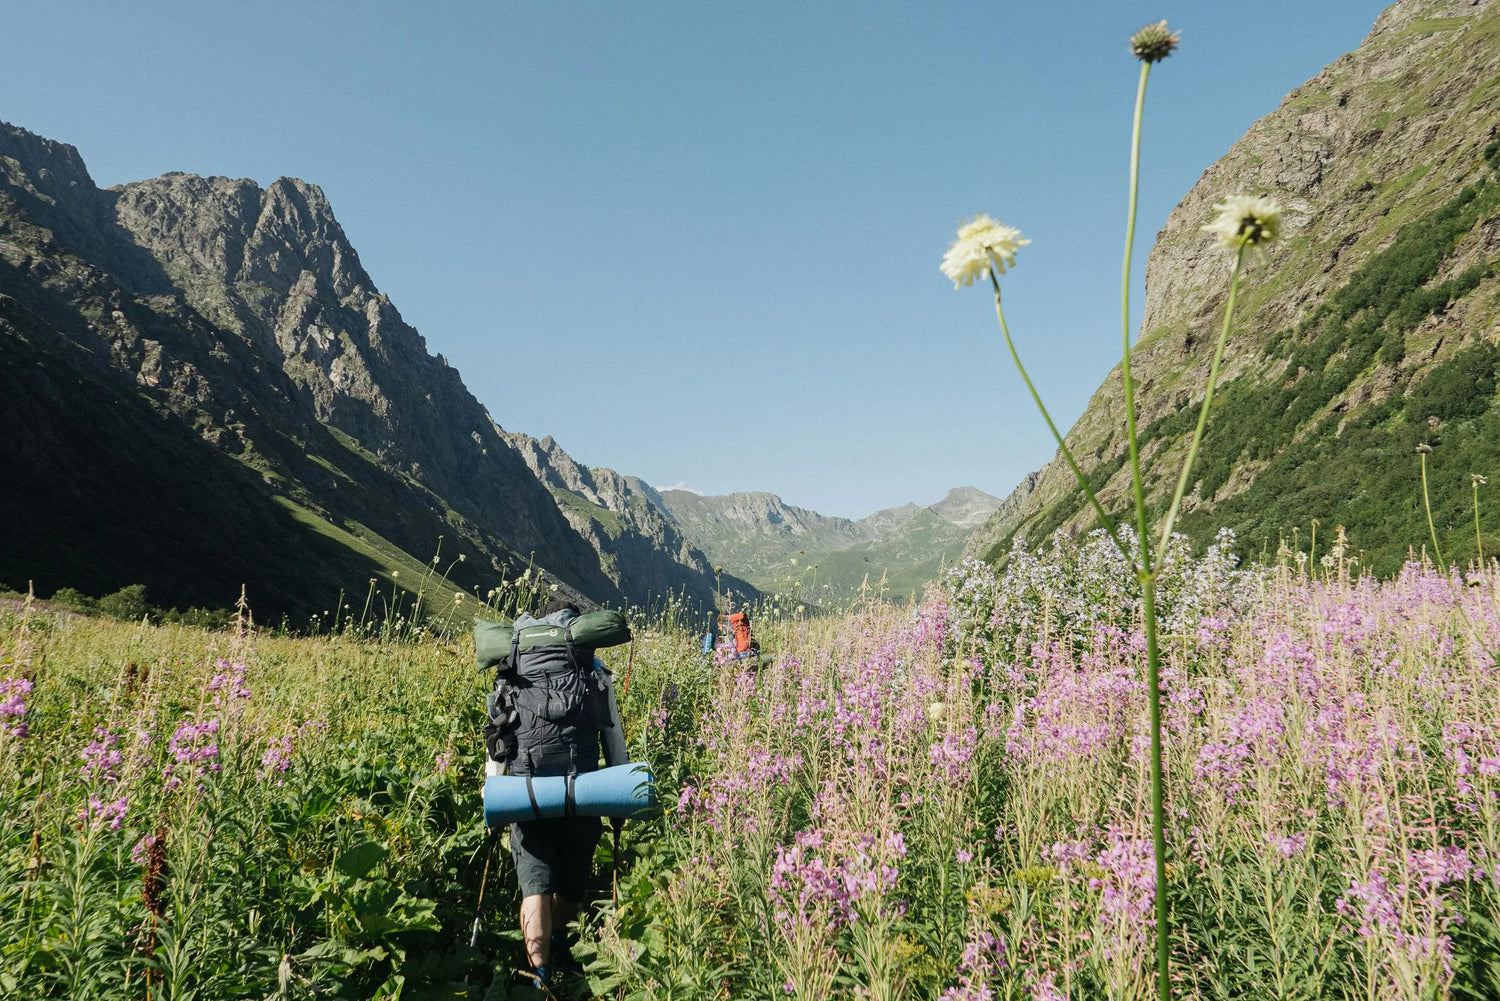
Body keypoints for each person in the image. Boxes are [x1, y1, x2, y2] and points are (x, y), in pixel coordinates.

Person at [491, 598, 610, 991]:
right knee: (571, 884)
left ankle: (540, 977)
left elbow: (498, 740)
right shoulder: (593, 669)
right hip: (584, 789)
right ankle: (562, 945)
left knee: (534, 886)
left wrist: (495, 793)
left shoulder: (512, 668)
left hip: (526, 791)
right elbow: (614, 737)